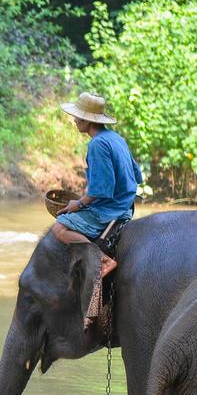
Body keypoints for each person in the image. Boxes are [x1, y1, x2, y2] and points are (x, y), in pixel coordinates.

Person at [53, 91, 141, 278]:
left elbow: (102, 188)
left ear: (88, 121)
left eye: (78, 117)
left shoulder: (97, 144)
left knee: (59, 228)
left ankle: (103, 260)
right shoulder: (116, 138)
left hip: (110, 209)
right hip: (126, 204)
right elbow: (136, 174)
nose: (75, 120)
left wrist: (78, 204)